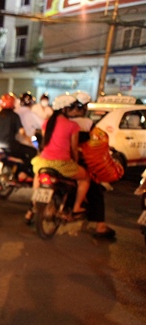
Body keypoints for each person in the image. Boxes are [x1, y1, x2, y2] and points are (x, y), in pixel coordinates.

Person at [31, 93, 90, 218]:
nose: (75, 110)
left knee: (38, 176)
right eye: (72, 108)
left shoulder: (47, 123)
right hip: (61, 164)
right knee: (85, 178)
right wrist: (76, 161)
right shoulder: (73, 126)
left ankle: (34, 202)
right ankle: (77, 207)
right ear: (65, 109)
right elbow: (74, 149)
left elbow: (45, 142)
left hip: (43, 161)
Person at [67, 91, 116, 241]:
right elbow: (93, 145)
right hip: (78, 161)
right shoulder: (87, 124)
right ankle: (100, 225)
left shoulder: (61, 121)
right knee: (96, 188)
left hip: (61, 160)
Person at [0, 92, 37, 178]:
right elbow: (21, 131)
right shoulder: (14, 116)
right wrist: (28, 139)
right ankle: (22, 172)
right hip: (10, 145)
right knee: (32, 152)